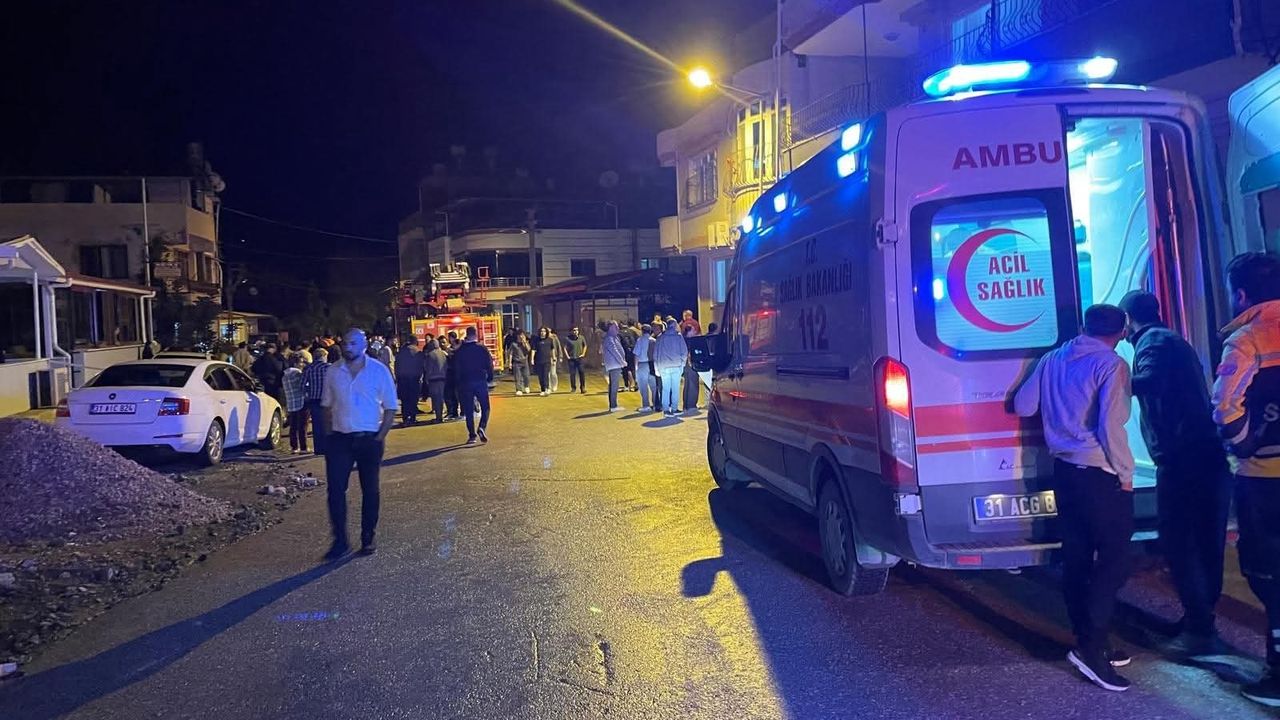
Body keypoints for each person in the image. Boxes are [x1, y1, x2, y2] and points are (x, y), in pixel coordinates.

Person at [1014, 304, 1135, 692]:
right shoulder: (1112, 365)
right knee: (1115, 562)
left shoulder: (1053, 358)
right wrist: (1126, 474)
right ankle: (1092, 649)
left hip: (1064, 471)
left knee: (1077, 559)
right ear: (1121, 332)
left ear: (1084, 326)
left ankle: (1089, 639)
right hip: (1099, 473)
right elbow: (1110, 426)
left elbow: (1023, 405)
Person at [1119, 290, 1232, 656]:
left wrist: (1105, 379)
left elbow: (1151, 381)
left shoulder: (1152, 342)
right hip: (1203, 456)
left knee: (1181, 541)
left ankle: (1200, 630)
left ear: (1127, 319)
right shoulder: (1168, 338)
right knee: (1204, 541)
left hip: (1185, 460)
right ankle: (1199, 621)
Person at [1211, 251, 1280, 706]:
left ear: (1241, 295)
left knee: (1269, 574)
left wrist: (1242, 443)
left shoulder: (1248, 339)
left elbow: (1225, 407)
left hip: (1265, 477)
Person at [321, 328, 398, 560]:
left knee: (370, 490)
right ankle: (340, 541)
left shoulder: (378, 371)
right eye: (345, 343)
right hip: (340, 439)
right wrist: (329, 435)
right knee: (335, 490)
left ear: (364, 345)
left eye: (353, 343)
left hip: (369, 439)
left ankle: (368, 536)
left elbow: (390, 406)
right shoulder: (333, 371)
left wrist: (380, 436)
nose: (348, 347)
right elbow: (326, 405)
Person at [455, 326, 494, 444]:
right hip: (480, 380)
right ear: (475, 335)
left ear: (466, 335)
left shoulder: (460, 350)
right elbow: (489, 364)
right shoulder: (482, 348)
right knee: (485, 407)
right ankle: (482, 427)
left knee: (468, 409)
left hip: (466, 382)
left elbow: (457, 368)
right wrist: (490, 377)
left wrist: (458, 382)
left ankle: (472, 435)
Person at [654, 319, 689, 418]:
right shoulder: (678, 337)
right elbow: (684, 352)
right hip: (676, 366)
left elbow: (656, 354)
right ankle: (674, 408)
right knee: (675, 389)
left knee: (665, 389)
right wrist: (682, 364)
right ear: (674, 325)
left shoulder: (660, 337)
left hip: (664, 366)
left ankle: (666, 409)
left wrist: (656, 368)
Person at [302, 345, 332, 454]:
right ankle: (328, 447)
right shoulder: (329, 368)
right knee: (328, 424)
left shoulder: (309, 368)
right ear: (323, 356)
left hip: (314, 399)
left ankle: (318, 449)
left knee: (317, 425)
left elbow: (302, 384)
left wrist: (307, 392)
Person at [394, 336, 427, 425]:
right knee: (413, 399)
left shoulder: (401, 352)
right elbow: (421, 365)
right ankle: (412, 418)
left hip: (402, 379)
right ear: (415, 342)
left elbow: (396, 365)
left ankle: (405, 418)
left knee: (405, 400)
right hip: (414, 379)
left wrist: (398, 377)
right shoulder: (418, 352)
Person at [282, 354, 309, 454]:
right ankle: (303, 447)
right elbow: (304, 385)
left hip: (291, 402)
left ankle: (294, 447)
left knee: (293, 426)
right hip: (301, 401)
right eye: (301, 362)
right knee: (302, 426)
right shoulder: (297, 374)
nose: (302, 364)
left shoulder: (284, 376)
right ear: (295, 363)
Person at [602, 321, 627, 412]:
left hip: (615, 364)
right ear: (610, 327)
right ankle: (613, 406)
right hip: (614, 364)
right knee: (614, 386)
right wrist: (622, 361)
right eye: (615, 327)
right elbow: (614, 351)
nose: (618, 328)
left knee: (613, 385)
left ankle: (613, 405)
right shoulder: (609, 338)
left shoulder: (613, 337)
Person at [424, 338, 448, 423]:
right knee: (440, 398)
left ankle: (438, 417)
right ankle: (440, 416)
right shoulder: (443, 353)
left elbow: (428, 369)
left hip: (433, 379)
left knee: (435, 399)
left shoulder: (430, 355)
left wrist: (427, 378)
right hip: (442, 378)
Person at [634, 324, 655, 412]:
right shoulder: (653, 340)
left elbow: (636, 354)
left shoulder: (640, 340)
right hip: (652, 364)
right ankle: (655, 404)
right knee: (654, 386)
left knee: (643, 386)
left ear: (642, 331)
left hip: (642, 364)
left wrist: (636, 367)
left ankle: (646, 405)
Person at [682, 324, 701, 412]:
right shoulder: (691, 341)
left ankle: (686, 405)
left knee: (687, 385)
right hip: (691, 364)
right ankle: (691, 405)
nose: (695, 332)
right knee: (693, 384)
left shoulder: (683, 340)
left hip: (685, 365)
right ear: (689, 332)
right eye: (693, 330)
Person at [563, 326, 588, 394]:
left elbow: (585, 345)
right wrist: (567, 356)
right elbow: (564, 348)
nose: (575, 332)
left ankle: (582, 387)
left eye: (576, 330)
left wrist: (583, 353)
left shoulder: (581, 337)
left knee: (581, 372)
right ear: (571, 331)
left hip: (579, 358)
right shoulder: (567, 338)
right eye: (574, 330)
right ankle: (573, 388)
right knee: (572, 374)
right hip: (571, 359)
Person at [506, 330, 532, 396]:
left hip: (525, 361)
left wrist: (525, 342)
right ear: (517, 336)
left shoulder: (526, 342)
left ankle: (526, 386)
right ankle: (519, 389)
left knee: (526, 375)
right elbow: (510, 353)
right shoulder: (514, 344)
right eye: (520, 335)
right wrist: (509, 363)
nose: (521, 336)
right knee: (517, 377)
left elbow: (529, 350)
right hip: (516, 362)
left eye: (522, 335)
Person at [533, 327, 555, 396]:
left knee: (546, 375)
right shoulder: (536, 340)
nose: (542, 333)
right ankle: (542, 389)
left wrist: (553, 358)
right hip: (538, 360)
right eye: (541, 331)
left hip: (547, 361)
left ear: (546, 332)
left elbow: (552, 349)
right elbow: (533, 350)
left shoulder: (550, 340)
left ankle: (547, 388)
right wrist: (532, 359)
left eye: (544, 331)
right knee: (540, 376)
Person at [443, 331, 461, 420]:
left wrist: (450, 354)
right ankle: (454, 412)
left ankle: (456, 412)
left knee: (455, 394)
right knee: (453, 394)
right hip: (454, 374)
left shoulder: (457, 347)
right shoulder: (452, 347)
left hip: (455, 374)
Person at [620, 322, 638, 391]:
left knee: (625, 369)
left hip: (624, 353)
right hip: (633, 352)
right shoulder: (632, 332)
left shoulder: (619, 333)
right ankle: (636, 384)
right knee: (633, 369)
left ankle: (626, 385)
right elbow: (637, 340)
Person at [548, 328, 563, 393]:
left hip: (553, 357)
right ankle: (549, 387)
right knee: (547, 374)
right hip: (545, 358)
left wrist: (560, 356)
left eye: (549, 331)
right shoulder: (544, 338)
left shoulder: (554, 338)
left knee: (553, 373)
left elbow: (559, 347)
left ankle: (554, 385)